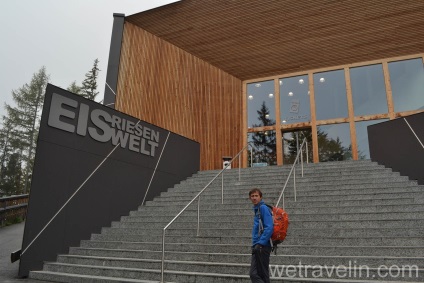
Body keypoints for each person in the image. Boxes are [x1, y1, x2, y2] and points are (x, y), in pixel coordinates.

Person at [249, 188, 274, 283]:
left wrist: (260, 243)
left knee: (254, 274)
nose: (254, 198)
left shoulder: (262, 208)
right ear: (250, 198)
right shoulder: (257, 210)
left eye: (256, 196)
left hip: (262, 246)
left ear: (261, 197)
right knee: (263, 275)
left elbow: (269, 227)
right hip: (258, 245)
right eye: (252, 196)